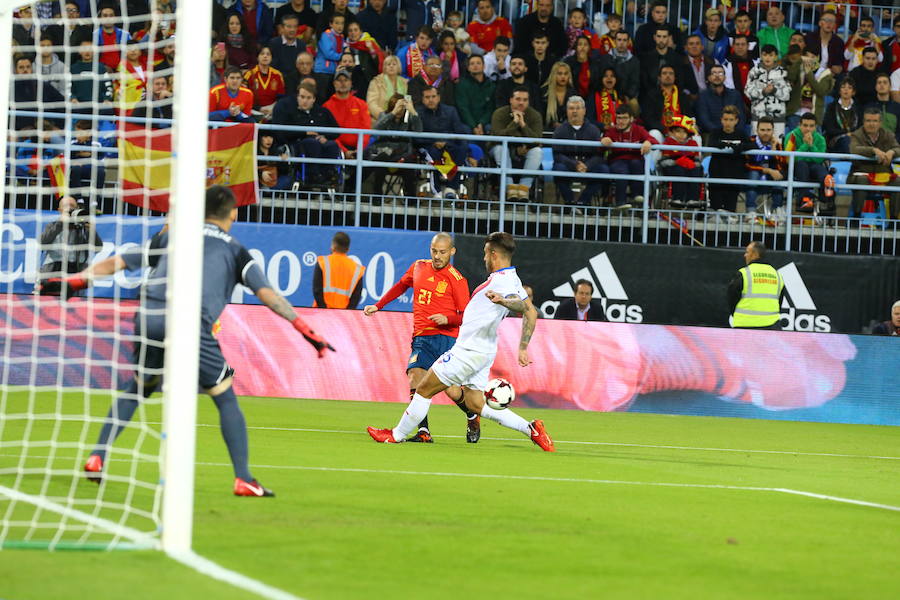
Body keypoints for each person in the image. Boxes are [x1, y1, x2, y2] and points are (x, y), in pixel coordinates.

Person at [65, 186, 334, 495]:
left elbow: (120, 262)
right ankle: (244, 478)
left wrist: (76, 279)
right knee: (224, 396)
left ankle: (97, 455)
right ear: (233, 212)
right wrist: (302, 326)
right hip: (189, 323)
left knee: (138, 388)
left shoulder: (171, 236)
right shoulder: (236, 250)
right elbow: (268, 295)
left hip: (148, 316)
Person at [366, 231, 553, 453]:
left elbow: (521, 307)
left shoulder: (502, 283)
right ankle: (531, 428)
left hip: (469, 351)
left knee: (424, 388)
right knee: (475, 403)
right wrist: (522, 347)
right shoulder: (512, 278)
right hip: (483, 352)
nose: (484, 259)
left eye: (485, 254)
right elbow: (531, 311)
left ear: (493, 254)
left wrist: (503, 301)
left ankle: (396, 435)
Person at [364, 233, 478, 443]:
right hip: (422, 336)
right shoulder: (419, 267)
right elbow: (401, 285)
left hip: (446, 339)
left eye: (442, 252)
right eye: (434, 251)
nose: (437, 256)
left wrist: (447, 318)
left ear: (452, 252)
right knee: (415, 377)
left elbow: (466, 316)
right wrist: (378, 305)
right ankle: (424, 431)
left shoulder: (457, 280)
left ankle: (472, 415)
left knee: (452, 391)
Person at [273, 82, 342, 186]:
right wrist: (304, 133)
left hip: (321, 141)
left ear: (314, 99)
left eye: (308, 98)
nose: (305, 101)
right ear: (297, 97)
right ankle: (313, 176)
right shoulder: (291, 113)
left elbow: (336, 130)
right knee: (311, 143)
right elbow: (284, 132)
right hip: (299, 143)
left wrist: (324, 136)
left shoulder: (322, 112)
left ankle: (329, 175)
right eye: (302, 97)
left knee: (332, 145)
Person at [36, 196, 102, 296]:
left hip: (77, 270)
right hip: (53, 269)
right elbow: (41, 243)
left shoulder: (84, 227)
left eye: (73, 206)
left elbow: (98, 248)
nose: (70, 209)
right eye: (66, 206)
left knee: (75, 304)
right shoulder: (53, 225)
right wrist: (60, 224)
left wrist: (91, 231)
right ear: (60, 210)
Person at [552, 96, 607, 207]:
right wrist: (574, 165)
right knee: (558, 168)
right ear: (567, 111)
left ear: (584, 111)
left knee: (603, 169)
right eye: (571, 108)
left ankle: (583, 201)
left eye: (578, 108)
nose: (575, 111)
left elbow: (599, 155)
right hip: (568, 166)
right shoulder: (559, 131)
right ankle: (570, 201)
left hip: (588, 167)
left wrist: (587, 165)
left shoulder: (594, 130)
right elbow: (557, 155)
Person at [490, 87, 544, 200]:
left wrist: (523, 125)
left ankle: (524, 189)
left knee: (537, 152)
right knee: (501, 148)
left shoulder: (535, 115)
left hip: (526, 149)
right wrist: (514, 123)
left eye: (525, 100)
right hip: (500, 148)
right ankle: (511, 189)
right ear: (510, 100)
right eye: (518, 99)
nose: (521, 102)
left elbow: (537, 140)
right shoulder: (499, 113)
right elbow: (497, 137)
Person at [365, 93, 421, 198]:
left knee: (409, 161)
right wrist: (393, 112)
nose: (399, 110)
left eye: (401, 107)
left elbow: (419, 130)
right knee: (380, 159)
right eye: (397, 107)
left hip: (401, 155)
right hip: (384, 153)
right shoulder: (384, 116)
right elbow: (376, 130)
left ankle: (411, 199)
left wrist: (412, 110)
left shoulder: (409, 118)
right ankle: (377, 196)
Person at [417, 86, 470, 196]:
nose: (431, 100)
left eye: (433, 96)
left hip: (448, 143)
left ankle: (451, 188)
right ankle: (437, 191)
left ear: (439, 97)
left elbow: (459, 131)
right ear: (422, 99)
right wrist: (434, 141)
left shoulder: (451, 111)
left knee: (463, 147)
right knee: (433, 153)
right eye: (427, 97)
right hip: (428, 144)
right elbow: (416, 137)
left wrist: (446, 142)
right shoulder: (418, 113)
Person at [848, 107, 900, 218]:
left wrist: (892, 152)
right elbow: (854, 149)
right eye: (868, 121)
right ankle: (856, 218)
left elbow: (898, 148)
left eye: (875, 121)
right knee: (862, 180)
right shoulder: (857, 135)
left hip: (883, 174)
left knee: (898, 182)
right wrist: (873, 150)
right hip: (860, 173)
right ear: (863, 122)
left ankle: (894, 221)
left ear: (880, 123)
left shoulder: (888, 135)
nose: (871, 124)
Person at [601, 105, 653, 209]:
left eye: (624, 118)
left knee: (636, 164)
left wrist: (648, 142)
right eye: (619, 118)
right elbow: (601, 147)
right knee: (622, 170)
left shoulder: (639, 129)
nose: (621, 121)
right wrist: (604, 141)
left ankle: (637, 195)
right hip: (617, 160)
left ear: (631, 119)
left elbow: (651, 139)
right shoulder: (611, 131)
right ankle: (620, 202)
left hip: (635, 160)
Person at [707, 104, 753, 217]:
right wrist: (726, 145)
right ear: (721, 120)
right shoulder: (715, 132)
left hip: (734, 176)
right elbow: (711, 143)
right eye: (725, 119)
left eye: (731, 120)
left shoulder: (741, 134)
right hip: (717, 175)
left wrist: (740, 147)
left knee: (730, 210)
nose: (728, 122)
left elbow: (753, 145)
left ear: (736, 121)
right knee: (715, 209)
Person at [728, 241, 784, 329]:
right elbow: (779, 301)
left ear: (755, 254)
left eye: (747, 252)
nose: (745, 255)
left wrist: (735, 314)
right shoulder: (777, 275)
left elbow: (732, 298)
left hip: (744, 326)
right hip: (772, 326)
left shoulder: (744, 273)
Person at [323, 69, 372, 159]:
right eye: (339, 80)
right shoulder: (326, 107)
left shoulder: (361, 104)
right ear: (334, 84)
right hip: (336, 148)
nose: (343, 83)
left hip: (360, 149)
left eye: (346, 80)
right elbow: (329, 133)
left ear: (350, 83)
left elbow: (365, 128)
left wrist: (359, 150)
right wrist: (344, 151)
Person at [745, 117, 786, 222]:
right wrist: (767, 170)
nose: (765, 133)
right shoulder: (750, 142)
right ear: (757, 130)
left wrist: (773, 150)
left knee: (779, 176)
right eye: (762, 130)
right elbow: (748, 164)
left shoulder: (777, 144)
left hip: (770, 179)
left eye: (768, 130)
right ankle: (751, 212)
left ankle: (776, 210)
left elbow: (781, 166)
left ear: (773, 131)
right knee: (753, 174)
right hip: (753, 176)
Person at [745, 45, 791, 138]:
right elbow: (747, 92)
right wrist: (763, 92)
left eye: (771, 55)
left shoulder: (783, 73)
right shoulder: (754, 72)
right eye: (765, 55)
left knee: (777, 147)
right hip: (758, 116)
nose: (767, 58)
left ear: (776, 57)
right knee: (757, 146)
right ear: (761, 56)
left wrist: (774, 90)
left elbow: (787, 95)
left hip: (777, 118)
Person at [784, 113, 828, 209]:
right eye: (805, 125)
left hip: (814, 166)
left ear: (816, 127)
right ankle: (804, 198)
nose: (808, 129)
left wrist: (811, 146)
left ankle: (827, 194)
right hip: (795, 167)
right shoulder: (791, 136)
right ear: (799, 125)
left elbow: (820, 159)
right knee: (802, 165)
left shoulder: (820, 139)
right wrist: (806, 145)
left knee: (820, 169)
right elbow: (789, 159)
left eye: (811, 126)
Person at [658, 115, 703, 209]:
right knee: (679, 170)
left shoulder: (693, 143)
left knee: (696, 170)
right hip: (673, 167)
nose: (681, 134)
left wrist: (693, 164)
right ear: (671, 132)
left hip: (690, 166)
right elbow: (663, 162)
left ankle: (693, 199)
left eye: (684, 132)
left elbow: (698, 161)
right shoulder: (668, 142)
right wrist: (677, 162)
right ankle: (677, 198)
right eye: (678, 131)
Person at [784, 49, 833, 131]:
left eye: (813, 57)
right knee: (795, 141)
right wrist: (799, 61)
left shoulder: (825, 73)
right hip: (796, 112)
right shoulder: (799, 68)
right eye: (807, 56)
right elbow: (790, 77)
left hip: (814, 115)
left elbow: (820, 91)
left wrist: (809, 73)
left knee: (814, 142)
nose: (809, 59)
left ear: (818, 57)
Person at [313, 231, 365, 309]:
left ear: (333, 245)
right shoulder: (357, 269)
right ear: (347, 249)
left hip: (320, 314)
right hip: (343, 315)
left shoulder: (323, 262)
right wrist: (346, 313)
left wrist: (324, 310)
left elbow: (317, 291)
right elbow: (356, 297)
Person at [642, 65, 694, 142]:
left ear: (675, 77)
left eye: (671, 73)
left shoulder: (682, 96)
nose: (668, 75)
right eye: (664, 73)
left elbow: (688, 115)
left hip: (681, 130)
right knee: (654, 134)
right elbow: (649, 119)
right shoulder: (651, 95)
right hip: (661, 131)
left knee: (696, 136)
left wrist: (682, 130)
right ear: (659, 77)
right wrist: (666, 131)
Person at [696, 65, 747, 138]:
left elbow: (741, 118)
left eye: (720, 73)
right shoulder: (703, 96)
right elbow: (704, 119)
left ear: (725, 77)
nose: (717, 76)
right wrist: (719, 133)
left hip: (734, 134)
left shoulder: (735, 95)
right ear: (709, 78)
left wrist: (734, 132)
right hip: (712, 134)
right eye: (714, 73)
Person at [598, 31, 639, 114]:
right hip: (607, 93)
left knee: (634, 104)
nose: (621, 43)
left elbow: (635, 82)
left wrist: (628, 95)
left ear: (628, 42)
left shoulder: (634, 61)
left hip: (626, 96)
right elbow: (600, 79)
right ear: (615, 41)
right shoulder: (605, 59)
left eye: (624, 40)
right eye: (619, 40)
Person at [455, 54, 496, 135]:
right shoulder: (461, 84)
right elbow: (463, 108)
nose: (475, 66)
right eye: (472, 63)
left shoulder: (491, 85)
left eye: (478, 63)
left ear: (484, 66)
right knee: (465, 130)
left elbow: (490, 108)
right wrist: (473, 126)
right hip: (467, 123)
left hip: (485, 123)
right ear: (468, 67)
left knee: (490, 128)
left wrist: (481, 124)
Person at [243, 46, 286, 121]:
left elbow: (281, 97)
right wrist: (260, 108)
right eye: (262, 54)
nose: (265, 56)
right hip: (254, 111)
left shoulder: (277, 75)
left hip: (272, 110)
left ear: (271, 58)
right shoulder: (249, 74)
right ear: (257, 57)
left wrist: (273, 108)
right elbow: (244, 97)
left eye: (268, 54)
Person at [639, 27, 680, 103]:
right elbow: (644, 81)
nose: (661, 40)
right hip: (649, 97)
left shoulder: (676, 58)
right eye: (659, 36)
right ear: (654, 37)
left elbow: (679, 80)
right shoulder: (645, 58)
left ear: (669, 38)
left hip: (673, 96)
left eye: (664, 37)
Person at [823, 78, 861, 153]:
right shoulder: (832, 107)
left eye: (849, 88)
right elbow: (829, 128)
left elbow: (860, 126)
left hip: (855, 138)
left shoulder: (858, 108)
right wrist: (845, 133)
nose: (846, 90)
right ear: (839, 91)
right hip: (836, 139)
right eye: (843, 87)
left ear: (853, 92)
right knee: (847, 141)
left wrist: (853, 134)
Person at [366, 55, 408, 119]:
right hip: (381, 119)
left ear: (398, 67)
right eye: (388, 64)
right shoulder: (376, 82)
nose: (391, 66)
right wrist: (384, 117)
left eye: (394, 64)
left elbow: (408, 103)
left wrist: (405, 118)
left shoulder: (405, 83)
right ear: (384, 67)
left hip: (401, 119)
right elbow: (371, 104)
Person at [804, 10, 844, 77]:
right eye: (826, 20)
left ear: (835, 25)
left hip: (830, 76)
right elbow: (807, 61)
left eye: (831, 21)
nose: (829, 23)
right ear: (820, 23)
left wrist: (836, 68)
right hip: (810, 74)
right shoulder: (809, 38)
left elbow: (839, 66)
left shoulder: (838, 42)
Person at [678, 34, 715, 102]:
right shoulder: (680, 64)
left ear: (702, 47)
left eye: (697, 44)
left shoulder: (712, 62)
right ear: (686, 47)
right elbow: (679, 85)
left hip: (711, 97)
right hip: (690, 99)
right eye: (691, 44)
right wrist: (689, 94)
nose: (694, 46)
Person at [542, 61, 575, 132]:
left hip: (568, 131)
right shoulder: (544, 92)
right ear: (554, 75)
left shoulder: (573, 93)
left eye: (565, 74)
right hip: (547, 131)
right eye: (559, 74)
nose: (563, 76)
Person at [722, 34, 755, 100]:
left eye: (743, 44)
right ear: (733, 46)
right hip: (734, 102)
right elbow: (727, 86)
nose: (740, 47)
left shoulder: (756, 63)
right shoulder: (726, 64)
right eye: (737, 44)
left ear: (748, 46)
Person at [869, 73, 900, 141]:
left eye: (885, 82)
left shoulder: (897, 108)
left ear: (890, 87)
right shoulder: (868, 107)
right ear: (875, 87)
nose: (882, 85)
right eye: (879, 83)